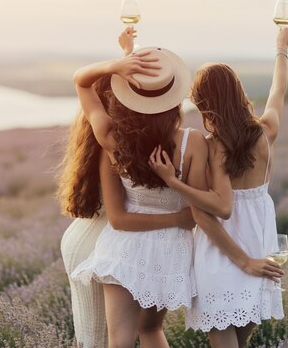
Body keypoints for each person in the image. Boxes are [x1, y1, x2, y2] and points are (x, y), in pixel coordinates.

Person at [149, 28, 288, 348]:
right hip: (261, 245)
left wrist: (173, 182)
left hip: (223, 252)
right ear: (239, 93)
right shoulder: (266, 132)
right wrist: (281, 49)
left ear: (203, 104)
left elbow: (208, 215)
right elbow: (278, 91)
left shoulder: (214, 147)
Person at [70, 35, 210, 348]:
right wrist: (177, 216)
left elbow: (81, 82)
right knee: (151, 331)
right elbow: (195, 210)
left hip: (123, 250)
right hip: (169, 250)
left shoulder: (111, 140)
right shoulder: (192, 143)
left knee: (119, 340)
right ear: (174, 99)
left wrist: (116, 64)